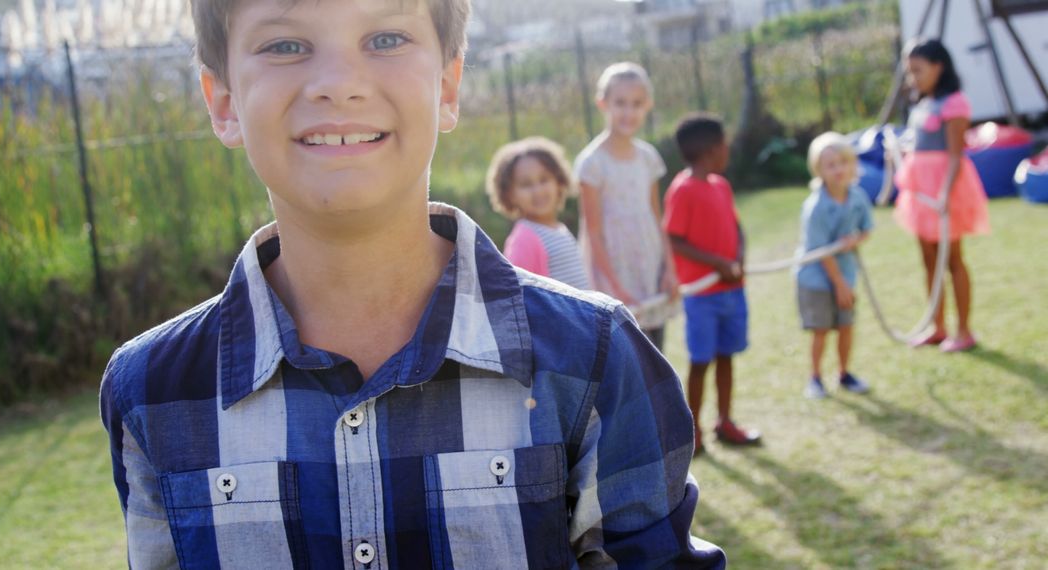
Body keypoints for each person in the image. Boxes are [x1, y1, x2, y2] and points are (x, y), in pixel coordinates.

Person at [98, 1, 726, 568]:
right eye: (286, 45)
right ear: (223, 102)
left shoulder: (595, 357)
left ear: (448, 85)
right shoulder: (151, 391)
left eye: (387, 37)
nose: (340, 83)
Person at [663, 114, 760, 456]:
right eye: (725, 143)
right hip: (703, 295)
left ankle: (725, 421)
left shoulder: (721, 185)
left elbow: (737, 227)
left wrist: (740, 258)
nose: (728, 149)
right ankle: (694, 431)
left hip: (732, 292)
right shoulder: (683, 189)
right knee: (701, 361)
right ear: (711, 149)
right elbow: (674, 239)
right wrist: (717, 264)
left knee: (726, 357)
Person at [575, 62, 678, 350]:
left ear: (648, 106)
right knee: (624, 354)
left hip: (648, 265)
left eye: (636, 104)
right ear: (603, 103)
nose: (628, 112)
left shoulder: (648, 158)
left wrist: (669, 268)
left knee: (656, 352)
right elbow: (592, 231)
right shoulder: (592, 163)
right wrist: (616, 290)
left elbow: (657, 219)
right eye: (620, 103)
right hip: (614, 272)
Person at [896, 38, 990, 352]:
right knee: (928, 259)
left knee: (952, 260)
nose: (914, 78)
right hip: (919, 191)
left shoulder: (954, 103)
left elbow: (954, 154)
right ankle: (937, 327)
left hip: (942, 191)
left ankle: (963, 331)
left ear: (939, 67)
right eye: (910, 72)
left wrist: (945, 195)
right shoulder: (923, 103)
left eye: (918, 70)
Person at [797, 133, 874, 399]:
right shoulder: (815, 207)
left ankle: (844, 373)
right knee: (821, 330)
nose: (839, 169)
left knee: (846, 325)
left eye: (843, 162)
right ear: (819, 170)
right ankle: (815, 378)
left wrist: (855, 240)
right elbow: (820, 251)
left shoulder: (858, 197)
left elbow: (867, 229)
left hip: (846, 274)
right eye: (831, 165)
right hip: (817, 279)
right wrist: (839, 284)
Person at [487, 137, 590, 290]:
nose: (538, 191)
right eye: (526, 184)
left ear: (559, 182)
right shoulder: (523, 240)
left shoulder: (559, 229)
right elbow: (519, 294)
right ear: (510, 194)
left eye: (544, 180)